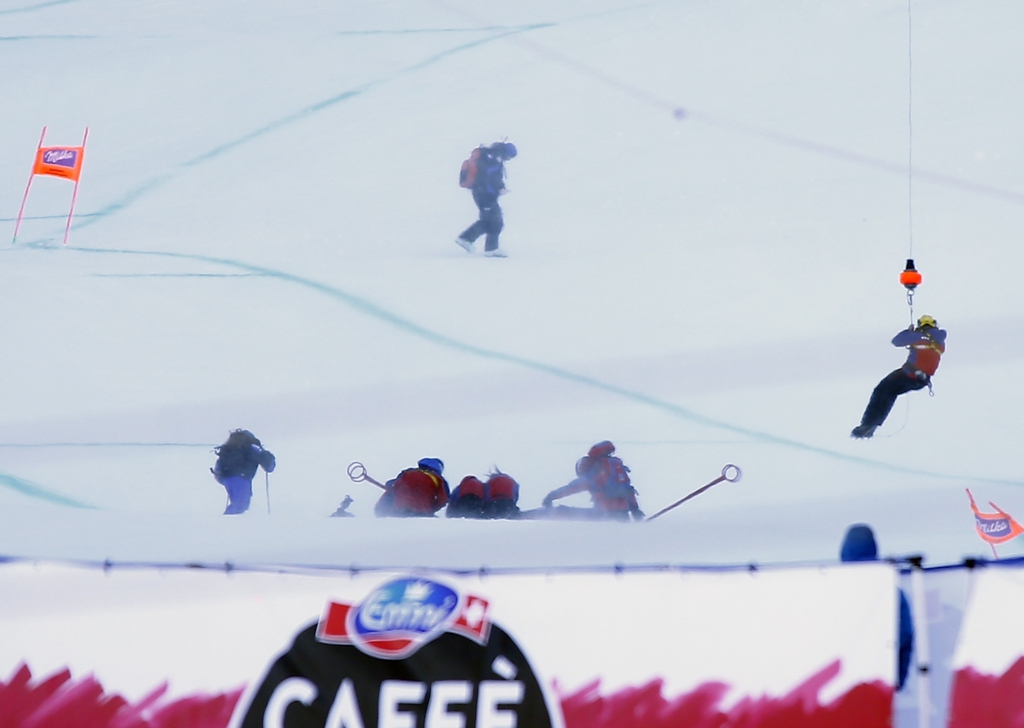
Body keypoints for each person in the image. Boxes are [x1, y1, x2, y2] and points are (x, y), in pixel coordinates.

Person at [840, 524, 914, 691]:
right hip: (880, 681)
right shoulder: (891, 591)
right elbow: (905, 635)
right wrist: (897, 680)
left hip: (839, 684)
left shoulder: (833, 590)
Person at [851, 315, 946, 439]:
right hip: (921, 381)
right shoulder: (939, 341)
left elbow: (896, 341)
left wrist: (909, 331)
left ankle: (868, 425)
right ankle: (871, 425)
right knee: (889, 392)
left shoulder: (918, 336)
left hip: (908, 374)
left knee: (882, 390)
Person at [541, 441, 644, 521]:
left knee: (566, 512)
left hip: (603, 515)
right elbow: (627, 490)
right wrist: (635, 509)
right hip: (623, 514)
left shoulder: (594, 475)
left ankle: (528, 515)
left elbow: (571, 488)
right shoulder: (617, 469)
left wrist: (550, 497)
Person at [455, 141, 517, 258]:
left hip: (482, 193)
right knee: (493, 221)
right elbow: (490, 178)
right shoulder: (493, 159)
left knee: (492, 221)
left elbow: (492, 177)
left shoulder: (489, 156)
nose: (509, 159)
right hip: (485, 195)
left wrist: (499, 188)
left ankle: (489, 247)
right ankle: (467, 239)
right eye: (509, 156)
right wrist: (498, 189)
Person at [211, 429, 276, 515]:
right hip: (241, 477)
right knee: (240, 505)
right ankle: (227, 523)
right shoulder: (251, 447)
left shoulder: (229, 447)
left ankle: (230, 522)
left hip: (225, 476)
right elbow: (267, 463)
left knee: (240, 502)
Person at [374, 458, 450, 517]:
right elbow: (444, 499)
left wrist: (380, 510)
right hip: (422, 512)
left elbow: (391, 486)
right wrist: (431, 509)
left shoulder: (408, 473)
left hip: (400, 511)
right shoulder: (438, 479)